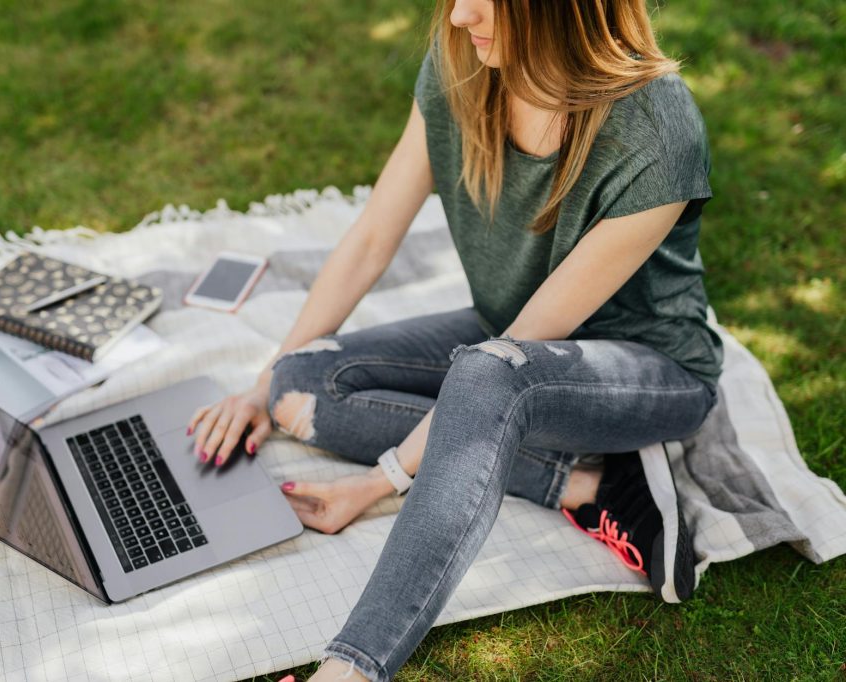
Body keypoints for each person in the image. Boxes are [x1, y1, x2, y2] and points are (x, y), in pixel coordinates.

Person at [187, 0, 723, 679]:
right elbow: (373, 237)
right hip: (506, 335)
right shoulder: (463, 59)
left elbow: (520, 349)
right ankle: (586, 483)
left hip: (649, 369)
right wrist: (262, 383)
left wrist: (380, 483)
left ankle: (353, 666)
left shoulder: (657, 125)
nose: (463, 14)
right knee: (302, 382)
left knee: (487, 376)